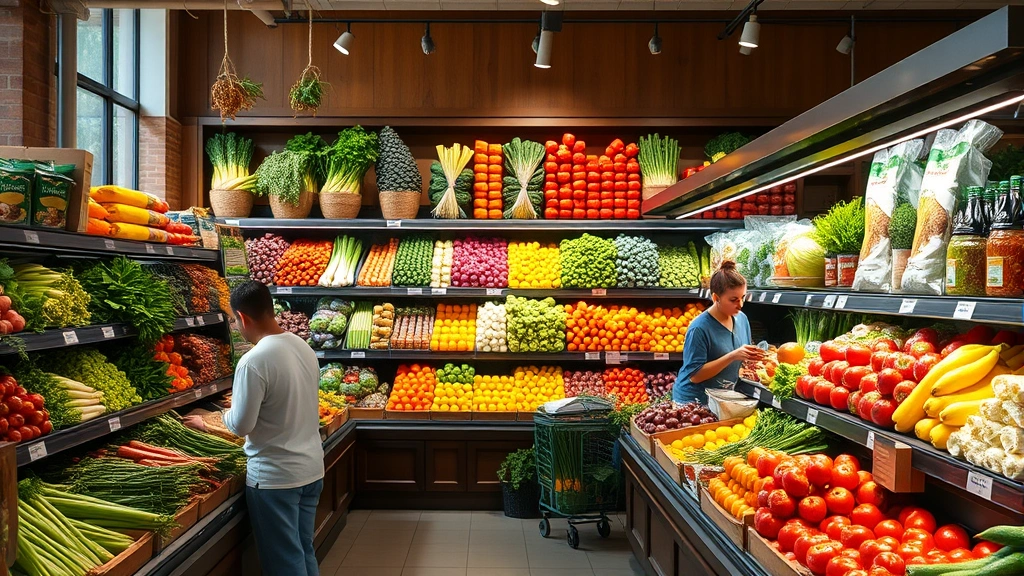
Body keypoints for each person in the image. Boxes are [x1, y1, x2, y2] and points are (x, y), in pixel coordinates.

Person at [193, 281, 324, 576]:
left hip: (275, 479)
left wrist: (210, 420)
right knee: (304, 550)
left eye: (232, 319)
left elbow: (242, 425)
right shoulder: (302, 345)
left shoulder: (253, 361)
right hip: (311, 469)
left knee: (284, 563)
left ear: (243, 317)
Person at [673, 260, 763, 405]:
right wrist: (733, 356)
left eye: (743, 298)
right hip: (694, 402)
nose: (740, 305)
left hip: (723, 397)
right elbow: (695, 376)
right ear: (716, 298)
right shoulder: (699, 329)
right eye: (733, 300)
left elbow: (742, 356)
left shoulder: (742, 319)